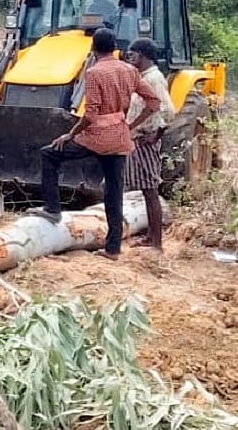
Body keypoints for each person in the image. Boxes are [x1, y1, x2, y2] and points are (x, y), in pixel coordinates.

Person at [27, 28, 160, 260]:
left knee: (50, 155)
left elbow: (90, 115)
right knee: (114, 192)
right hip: (119, 137)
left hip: (96, 137)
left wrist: (69, 134)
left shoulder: (94, 73)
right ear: (115, 47)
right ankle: (112, 248)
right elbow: (154, 101)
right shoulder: (130, 70)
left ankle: (52, 208)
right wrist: (129, 124)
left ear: (93, 47)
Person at [124, 37, 176, 251]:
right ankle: (150, 237)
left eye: (132, 54)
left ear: (143, 56)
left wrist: (156, 136)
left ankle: (157, 242)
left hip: (145, 140)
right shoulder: (142, 77)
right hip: (137, 139)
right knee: (145, 190)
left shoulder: (154, 79)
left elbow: (167, 110)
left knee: (150, 190)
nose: (130, 58)